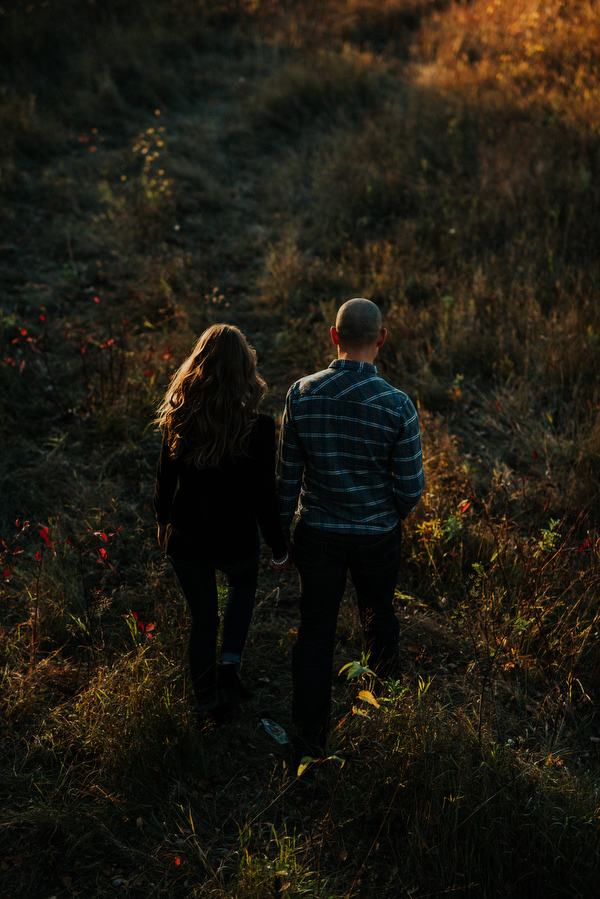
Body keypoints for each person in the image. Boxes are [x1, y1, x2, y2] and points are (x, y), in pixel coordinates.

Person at [277, 298, 425, 759]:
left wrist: (281, 537)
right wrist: (387, 515)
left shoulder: (301, 394)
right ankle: (382, 723)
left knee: (316, 629)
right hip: (377, 535)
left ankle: (308, 738)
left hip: (318, 534)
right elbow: (411, 487)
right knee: (379, 619)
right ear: (381, 339)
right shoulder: (398, 406)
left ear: (334, 336)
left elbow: (286, 479)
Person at [154, 324, 292, 727]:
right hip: (235, 541)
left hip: (188, 538)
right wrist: (279, 546)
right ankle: (229, 662)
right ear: (245, 369)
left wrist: (163, 521)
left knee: (202, 620)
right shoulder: (259, 427)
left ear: (198, 363)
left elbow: (164, 478)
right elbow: (263, 497)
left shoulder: (180, 415)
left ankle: (206, 704)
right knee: (243, 585)